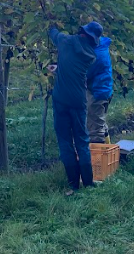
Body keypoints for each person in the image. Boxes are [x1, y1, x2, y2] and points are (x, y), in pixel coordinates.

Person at [49, 21, 99, 194]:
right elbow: (74, 69)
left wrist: (52, 24)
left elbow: (53, 34)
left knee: (65, 141)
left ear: (81, 31)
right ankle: (88, 182)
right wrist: (60, 69)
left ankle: (73, 185)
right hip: (78, 100)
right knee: (82, 140)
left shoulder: (64, 40)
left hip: (61, 99)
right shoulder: (90, 55)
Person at [84, 22, 113, 144]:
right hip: (103, 90)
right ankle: (109, 152)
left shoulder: (97, 55)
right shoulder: (99, 47)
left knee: (95, 129)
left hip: (97, 92)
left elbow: (84, 73)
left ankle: (98, 161)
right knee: (100, 123)